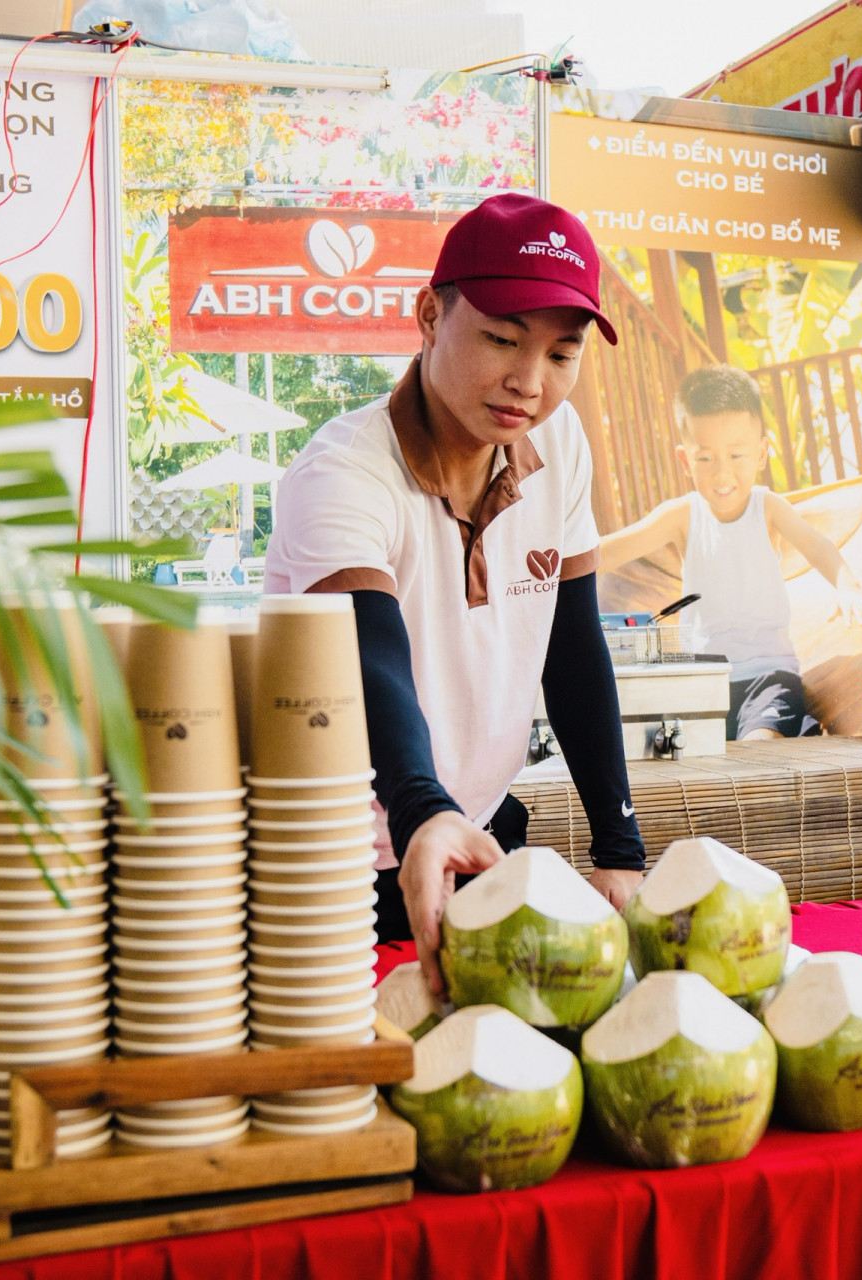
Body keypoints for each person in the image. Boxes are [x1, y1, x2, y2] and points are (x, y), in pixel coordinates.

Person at [263, 193, 645, 999]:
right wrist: (420, 811)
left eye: (560, 355)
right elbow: (367, 660)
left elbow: (572, 645)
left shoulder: (555, 441)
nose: (527, 384)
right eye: (502, 339)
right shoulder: (341, 476)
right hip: (332, 861)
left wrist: (619, 846)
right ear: (429, 316)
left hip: (470, 831)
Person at [599, 364, 862, 739]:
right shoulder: (682, 515)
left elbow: (816, 544)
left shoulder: (768, 507)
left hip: (768, 674)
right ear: (686, 460)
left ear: (761, 453)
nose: (722, 474)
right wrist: (546, 568)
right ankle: (799, 731)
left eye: (736, 455)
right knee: (680, 751)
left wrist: (848, 586)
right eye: (706, 458)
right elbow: (609, 551)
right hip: (702, 679)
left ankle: (788, 730)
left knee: (759, 748)